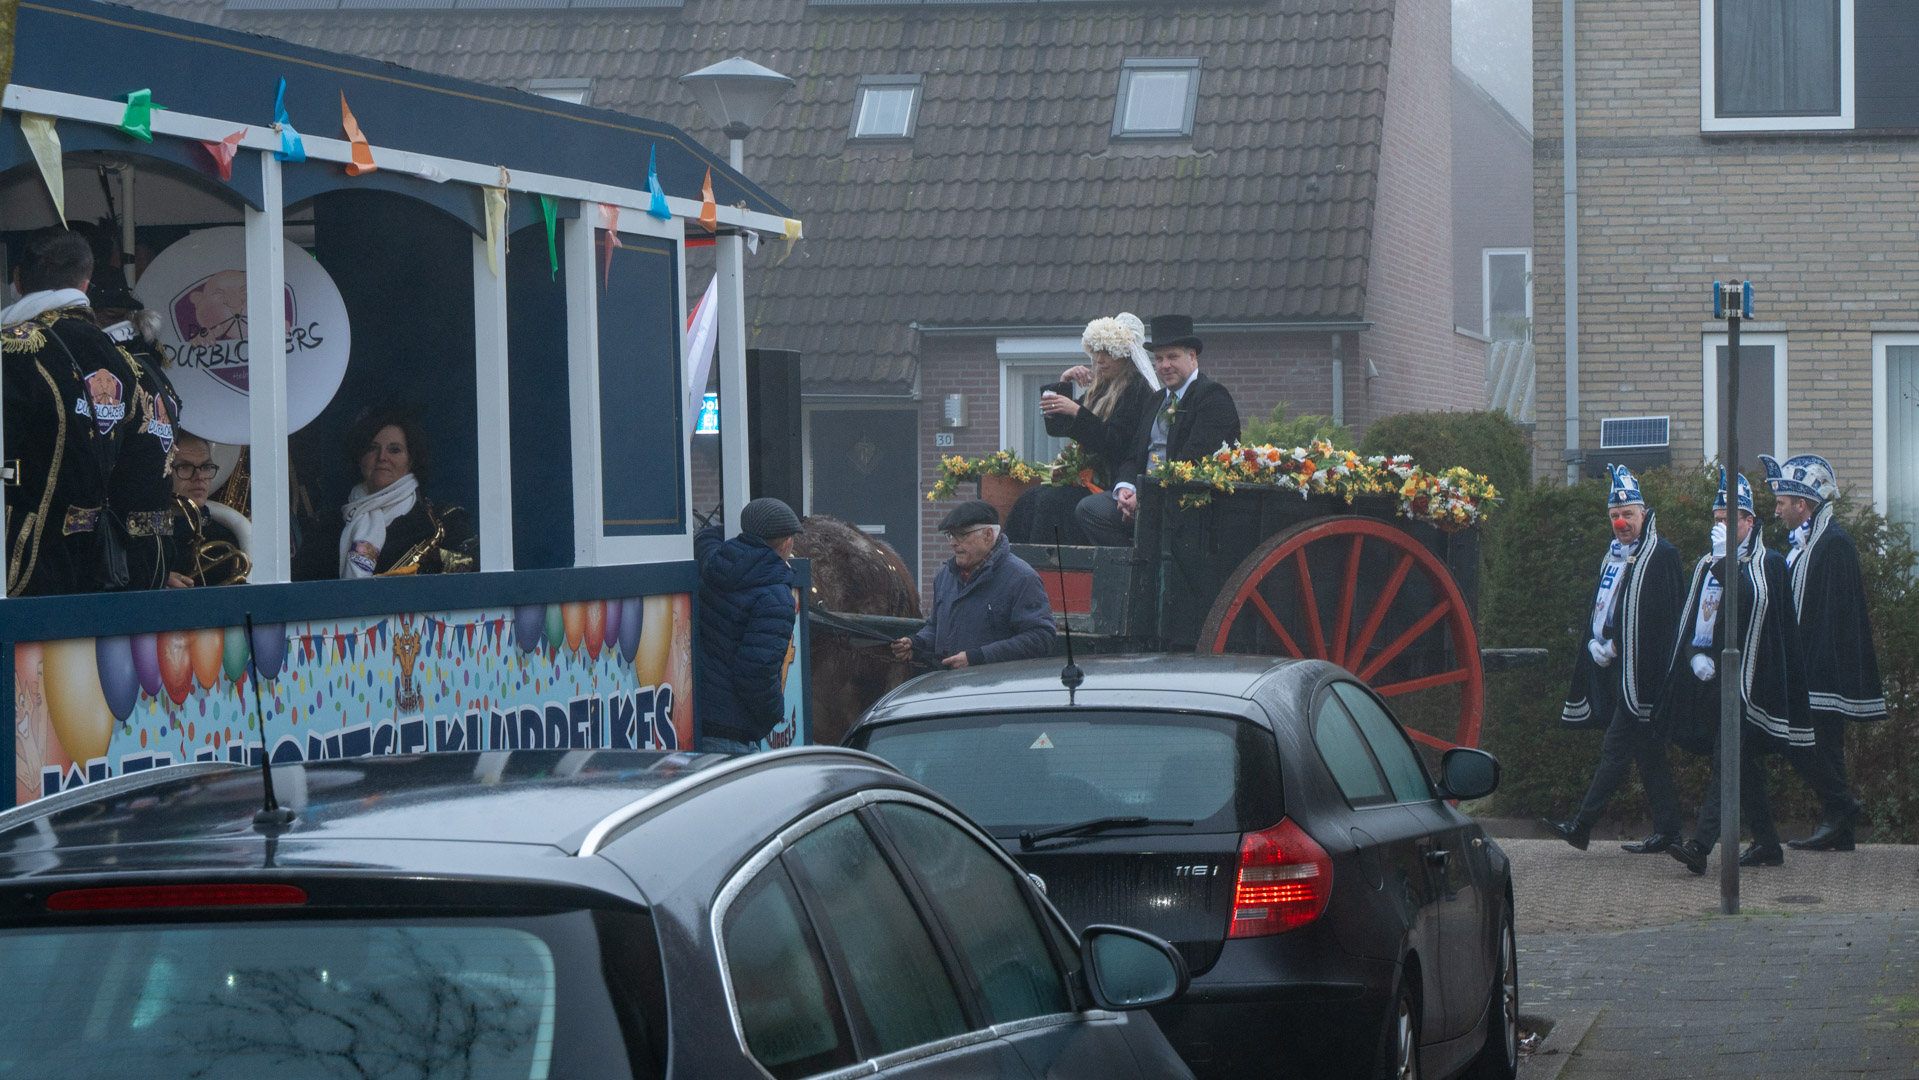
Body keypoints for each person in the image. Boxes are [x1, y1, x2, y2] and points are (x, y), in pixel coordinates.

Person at [1661, 472, 1858, 874]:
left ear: (1749, 522)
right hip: (1712, 683)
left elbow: (1752, 603)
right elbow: (1693, 619)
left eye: (1728, 519)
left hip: (1752, 685)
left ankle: (1700, 846)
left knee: (1727, 758)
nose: (1720, 527)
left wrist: (1724, 563)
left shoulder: (1769, 563)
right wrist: (1693, 656)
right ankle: (1768, 843)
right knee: (1740, 766)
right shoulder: (1705, 564)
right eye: (1716, 520)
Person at [2, 227, 171, 595]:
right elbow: (145, 476)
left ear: (17, 279)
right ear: (84, 284)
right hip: (104, 571)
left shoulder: (12, 349)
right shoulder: (127, 363)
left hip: (18, 569)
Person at [1542, 465, 1686, 853]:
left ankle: (1582, 825)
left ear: (1644, 514)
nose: (1621, 523)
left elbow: (1666, 619)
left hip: (1646, 676)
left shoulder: (1662, 555)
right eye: (1615, 516)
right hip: (1618, 671)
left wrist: (1620, 645)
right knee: (1648, 754)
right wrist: (1597, 643)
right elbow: (1603, 606)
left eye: (1628, 515)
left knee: (1615, 748)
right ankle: (1670, 831)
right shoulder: (1613, 556)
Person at [1759, 453, 1881, 851]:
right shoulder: (1809, 543)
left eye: (1782, 503)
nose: (1776, 511)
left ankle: (1840, 807)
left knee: (1803, 744)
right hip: (1806, 667)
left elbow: (1834, 617)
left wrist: (1809, 668)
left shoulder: (1833, 544)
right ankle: (1840, 828)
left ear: (1802, 504)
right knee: (1824, 749)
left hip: (1821, 671)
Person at [1074, 314, 1241, 546]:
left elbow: (1193, 460)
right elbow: (1134, 455)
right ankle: (1133, 563)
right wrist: (1125, 488)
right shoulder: (1156, 400)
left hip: (1186, 503)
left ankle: (1143, 564)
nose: (1164, 365)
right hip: (1145, 497)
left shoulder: (1212, 397)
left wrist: (1146, 496)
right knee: (1089, 509)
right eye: (1159, 358)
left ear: (1192, 356)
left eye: (1172, 357)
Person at [1006, 313, 1158, 544]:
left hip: (1112, 482)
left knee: (1050, 501)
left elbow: (1116, 444)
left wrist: (1077, 412)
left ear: (1126, 356)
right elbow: (1057, 427)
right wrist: (1063, 383)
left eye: (1108, 353)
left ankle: (1048, 562)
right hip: (1088, 479)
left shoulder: (1137, 391)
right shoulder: (1101, 388)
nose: (1100, 360)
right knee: (1030, 497)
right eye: (1096, 351)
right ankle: (1016, 559)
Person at [294, 410, 476, 579]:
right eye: (372, 448)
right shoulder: (326, 527)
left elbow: (473, 571)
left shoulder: (443, 520)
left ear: (411, 459)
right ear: (359, 458)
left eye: (394, 450)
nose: (382, 457)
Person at [695, 497, 803, 753]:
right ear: (786, 542)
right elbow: (756, 673)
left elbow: (705, 538)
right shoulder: (776, 596)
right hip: (735, 732)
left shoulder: (715, 562)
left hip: (700, 720)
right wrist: (773, 714)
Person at [892, 500, 1056, 669]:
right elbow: (935, 628)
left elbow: (1040, 638)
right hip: (947, 682)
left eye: (962, 534)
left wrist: (978, 658)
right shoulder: (945, 576)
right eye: (950, 535)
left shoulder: (1021, 578)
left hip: (993, 684)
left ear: (988, 535)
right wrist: (916, 643)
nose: (952, 542)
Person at [164, 433, 250, 587]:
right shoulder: (140, 530)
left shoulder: (225, 536)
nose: (200, 476)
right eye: (184, 467)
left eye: (205, 467)